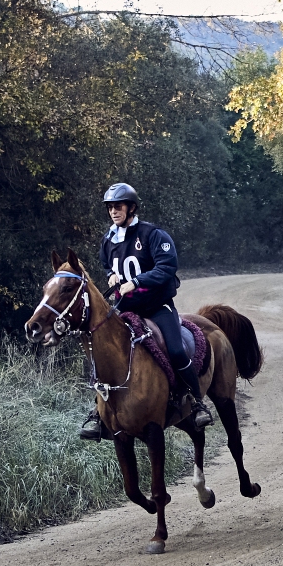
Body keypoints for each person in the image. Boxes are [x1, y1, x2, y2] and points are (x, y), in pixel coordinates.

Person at [79, 183, 212, 440]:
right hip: (126, 308)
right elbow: (107, 263)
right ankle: (98, 412)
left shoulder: (153, 235)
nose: (114, 211)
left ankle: (196, 402)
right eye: (110, 207)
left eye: (118, 206)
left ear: (131, 208)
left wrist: (137, 281)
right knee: (101, 353)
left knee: (176, 350)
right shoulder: (109, 239)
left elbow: (167, 267)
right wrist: (111, 275)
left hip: (157, 307)